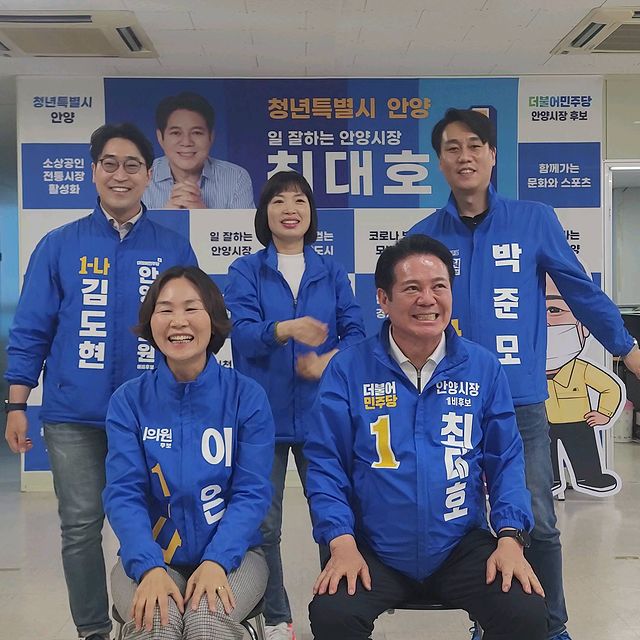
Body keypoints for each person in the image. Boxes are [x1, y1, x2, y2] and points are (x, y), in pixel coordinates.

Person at [408, 107, 640, 640]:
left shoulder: (534, 220)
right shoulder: (424, 236)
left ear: (493, 155)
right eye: (451, 148)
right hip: (451, 401)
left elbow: (580, 291)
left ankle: (552, 626)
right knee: (469, 522)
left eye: (475, 145)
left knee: (538, 517)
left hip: (522, 402)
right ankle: (489, 621)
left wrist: (627, 349)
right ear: (439, 161)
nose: (464, 156)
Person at [4, 122, 198, 640]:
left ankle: (154, 622)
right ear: (94, 172)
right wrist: (16, 404)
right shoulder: (59, 245)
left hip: (151, 414)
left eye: (132, 165)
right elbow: (32, 329)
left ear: (149, 175)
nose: (120, 175)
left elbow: (193, 330)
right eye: (109, 164)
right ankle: (92, 629)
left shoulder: (173, 248)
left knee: (160, 521)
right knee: (81, 526)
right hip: (73, 418)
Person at [305, 234, 547, 640]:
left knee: (525, 611)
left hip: (458, 545)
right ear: (383, 299)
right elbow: (326, 465)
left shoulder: (482, 367)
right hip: (375, 547)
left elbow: (505, 461)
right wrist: (341, 542)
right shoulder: (348, 369)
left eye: (439, 286)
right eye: (411, 288)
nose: (427, 299)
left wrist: (510, 538)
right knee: (333, 614)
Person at [224, 170, 365, 640]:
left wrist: (329, 361)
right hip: (260, 416)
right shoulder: (246, 270)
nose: (290, 208)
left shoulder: (331, 271)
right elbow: (241, 334)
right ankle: (275, 617)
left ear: (311, 212)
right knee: (264, 526)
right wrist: (285, 329)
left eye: (300, 199)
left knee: (334, 521)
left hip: (324, 415)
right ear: (264, 213)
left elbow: (357, 334)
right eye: (279, 200)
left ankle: (334, 615)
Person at [104, 266, 274, 639]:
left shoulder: (247, 397)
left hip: (235, 557)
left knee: (206, 622)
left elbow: (252, 493)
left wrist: (216, 561)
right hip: (150, 556)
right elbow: (123, 493)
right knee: (156, 622)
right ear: (151, 322)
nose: (178, 321)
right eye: (165, 309)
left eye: (191, 308)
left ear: (213, 319)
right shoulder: (128, 401)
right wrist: (149, 567)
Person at [546, 275, 622, 495]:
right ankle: (550, 479)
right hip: (543, 423)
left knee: (584, 452)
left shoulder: (582, 369)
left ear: (583, 327)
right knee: (544, 455)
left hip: (579, 421)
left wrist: (604, 413)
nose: (546, 323)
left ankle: (590, 477)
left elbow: (610, 387)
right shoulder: (528, 372)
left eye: (554, 310)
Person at [143, 91, 255, 210]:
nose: (186, 142)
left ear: (211, 137)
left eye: (196, 133)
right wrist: (164, 217)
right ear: (160, 137)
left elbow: (248, 223)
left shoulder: (236, 177)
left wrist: (201, 215)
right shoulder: (141, 176)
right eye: (176, 133)